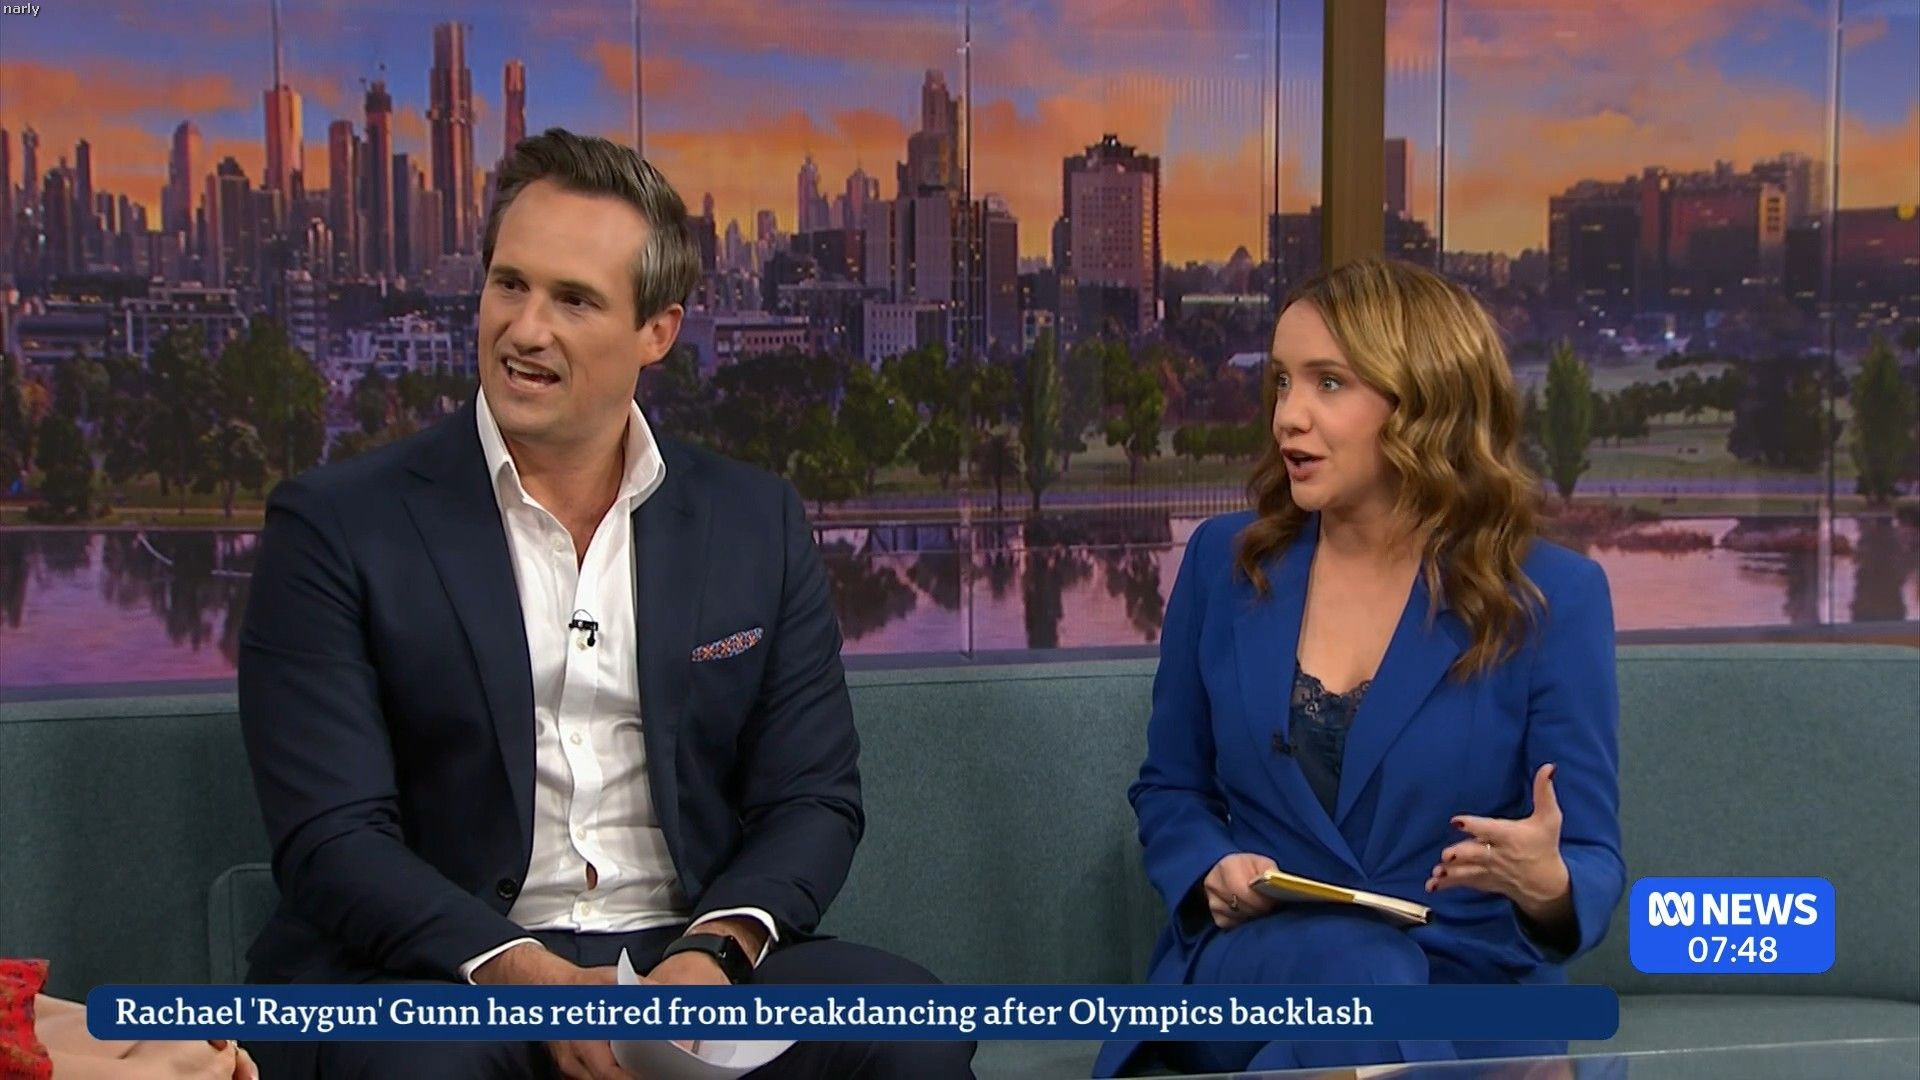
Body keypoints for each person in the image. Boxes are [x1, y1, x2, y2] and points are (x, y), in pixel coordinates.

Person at [237, 128, 974, 1080]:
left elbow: (812, 799)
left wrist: (711, 956)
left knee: (911, 1033)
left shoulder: (754, 521)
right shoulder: (336, 525)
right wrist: (525, 973)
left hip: (683, 953)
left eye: (574, 299)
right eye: (509, 285)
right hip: (439, 973)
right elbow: (332, 839)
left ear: (657, 331)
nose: (525, 329)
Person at [1095, 257, 1625, 1076]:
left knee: (1385, 1023)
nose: (1288, 416)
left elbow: (1590, 855)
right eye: (1282, 382)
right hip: (1264, 963)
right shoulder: (1224, 565)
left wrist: (1546, 880)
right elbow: (1171, 788)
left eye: (1329, 383)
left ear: (1424, 404)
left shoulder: (1552, 598)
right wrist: (1209, 867)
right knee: (1364, 969)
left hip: (1466, 971)